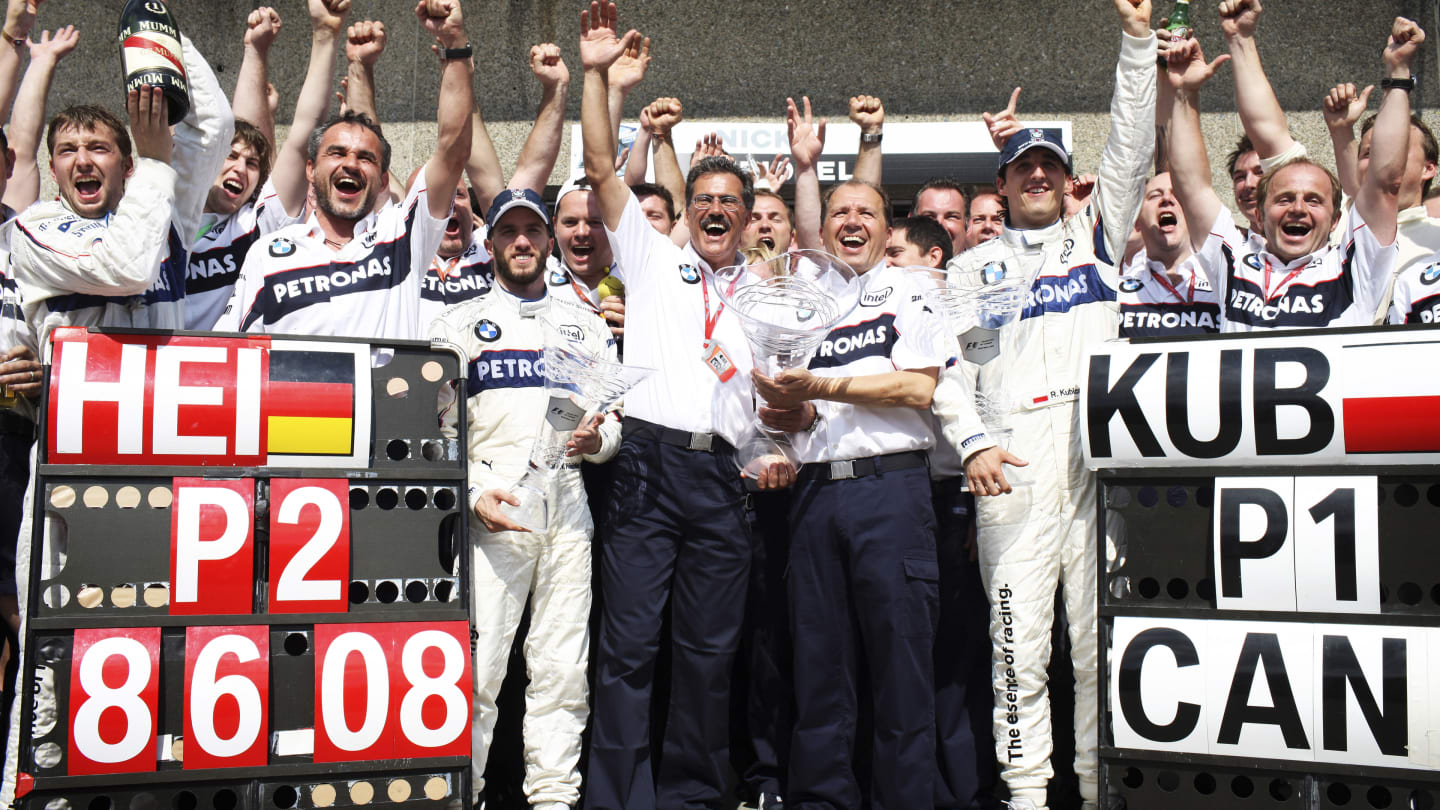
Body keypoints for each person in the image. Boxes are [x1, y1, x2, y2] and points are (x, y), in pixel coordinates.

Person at [576, 4, 791, 808]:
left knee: (709, 654)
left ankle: (693, 798)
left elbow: (777, 403)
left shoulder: (769, 293)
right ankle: (617, 799)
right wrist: (600, 76)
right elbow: (601, 164)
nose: (715, 209)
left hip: (723, 481)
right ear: (686, 205)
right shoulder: (652, 257)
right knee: (628, 650)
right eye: (703, 197)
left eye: (731, 202)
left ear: (744, 216)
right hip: (647, 467)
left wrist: (775, 450)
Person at [944, 3, 1156, 806]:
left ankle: (1103, 790)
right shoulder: (971, 269)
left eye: (1049, 167)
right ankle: (1027, 794)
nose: (1036, 175)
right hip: (1016, 467)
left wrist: (1136, 45)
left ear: (1070, 182)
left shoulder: (1098, 238)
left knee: (1101, 650)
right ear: (999, 182)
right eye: (1021, 166)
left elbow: (1131, 137)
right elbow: (947, 374)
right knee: (1016, 649)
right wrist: (971, 445)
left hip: (1097, 463)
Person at [753, 180, 948, 810]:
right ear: (824, 229)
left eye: (866, 211)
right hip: (815, 497)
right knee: (820, 671)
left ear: (889, 230)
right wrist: (797, 414)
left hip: (889, 493)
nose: (852, 221)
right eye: (840, 213)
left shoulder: (913, 287)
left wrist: (823, 386)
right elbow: (814, 410)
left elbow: (917, 389)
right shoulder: (810, 308)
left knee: (900, 672)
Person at [429, 188, 619, 810]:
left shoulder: (584, 322)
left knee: (563, 668)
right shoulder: (457, 324)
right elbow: (437, 434)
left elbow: (613, 422)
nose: (521, 242)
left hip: (567, 501)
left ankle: (554, 799)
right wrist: (477, 492)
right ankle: (467, 793)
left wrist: (596, 441)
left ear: (548, 242)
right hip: (497, 499)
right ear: (490, 245)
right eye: (508, 231)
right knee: (480, 673)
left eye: (532, 231)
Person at [215, 0, 473, 339]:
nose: (350, 162)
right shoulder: (269, 251)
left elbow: (452, 150)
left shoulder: (402, 236)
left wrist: (454, 44)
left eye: (365, 158)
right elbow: (231, 348)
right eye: (336, 153)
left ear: (383, 182)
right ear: (310, 170)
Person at [1165, 20, 1414, 332]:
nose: (1298, 208)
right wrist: (1184, 92)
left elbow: (1386, 181)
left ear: (1336, 220)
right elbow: (1191, 186)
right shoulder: (1232, 259)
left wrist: (1399, 70)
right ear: (1261, 210)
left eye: (1314, 200)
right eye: (1284, 199)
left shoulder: (1355, 267)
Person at [887, 215, 1000, 810]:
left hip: (961, 499)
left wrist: (981, 513)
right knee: (905, 653)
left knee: (954, 659)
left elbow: (985, 400)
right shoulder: (879, 313)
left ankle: (961, 789)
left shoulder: (968, 321)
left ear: (933, 260)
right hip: (902, 498)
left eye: (896, 253)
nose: (886, 263)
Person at [11, 46, 231, 349]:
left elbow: (212, 127)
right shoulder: (34, 227)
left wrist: (158, 34)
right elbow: (129, 269)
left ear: (128, 165)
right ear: (52, 170)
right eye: (68, 150)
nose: (83, 160)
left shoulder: (162, 210)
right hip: (85, 397)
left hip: (160, 395)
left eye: (98, 148)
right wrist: (154, 162)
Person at [1322, 86, 1440, 324]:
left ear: (1428, 168)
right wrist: (1341, 130)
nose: (1381, 161)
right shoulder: (1334, 222)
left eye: (1396, 153)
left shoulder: (1435, 238)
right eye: (1369, 154)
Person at [1117, 172, 1219, 337]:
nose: (1166, 199)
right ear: (1137, 221)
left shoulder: (1223, 283)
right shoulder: (1116, 293)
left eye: (1177, 194)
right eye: (1154, 195)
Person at [546, 178, 625, 337]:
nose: (581, 232)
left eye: (594, 222)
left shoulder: (639, 281)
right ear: (555, 226)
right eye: (570, 222)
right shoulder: (537, 283)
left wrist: (643, 327)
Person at [914, 178, 969, 255]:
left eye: (951, 217)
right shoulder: (894, 265)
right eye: (929, 216)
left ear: (967, 224)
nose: (940, 225)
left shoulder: (987, 266)